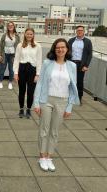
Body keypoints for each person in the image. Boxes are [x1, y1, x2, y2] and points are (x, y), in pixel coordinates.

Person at [33, 38, 79, 172]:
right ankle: (42, 156)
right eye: (58, 47)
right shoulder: (47, 63)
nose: (60, 49)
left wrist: (69, 106)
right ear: (54, 49)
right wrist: (36, 103)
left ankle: (49, 156)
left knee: (54, 131)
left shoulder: (72, 66)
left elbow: (72, 87)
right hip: (46, 100)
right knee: (44, 129)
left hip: (62, 101)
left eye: (63, 47)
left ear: (67, 49)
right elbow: (40, 83)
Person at [13, 28, 42, 118]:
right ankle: (21, 109)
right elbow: (16, 59)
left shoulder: (37, 46)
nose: (29, 36)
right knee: (22, 91)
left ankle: (29, 109)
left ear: (33, 35)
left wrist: (38, 74)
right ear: (24, 34)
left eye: (31, 34)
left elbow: (39, 60)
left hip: (32, 70)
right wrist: (15, 73)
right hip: (22, 69)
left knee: (30, 92)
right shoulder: (20, 45)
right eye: (27, 34)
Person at [68, 25, 93, 104]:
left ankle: (79, 98)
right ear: (76, 31)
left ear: (84, 32)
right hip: (71, 63)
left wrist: (86, 65)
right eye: (78, 30)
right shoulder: (71, 40)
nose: (79, 32)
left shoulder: (87, 41)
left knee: (79, 81)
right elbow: (67, 51)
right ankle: (69, 97)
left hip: (81, 65)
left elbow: (90, 54)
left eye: (81, 30)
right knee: (69, 80)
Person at [0, 21, 20, 89]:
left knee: (11, 69)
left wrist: (16, 57)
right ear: (7, 27)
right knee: (2, 69)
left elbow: (19, 47)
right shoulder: (4, 35)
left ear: (14, 27)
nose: (10, 26)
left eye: (12, 25)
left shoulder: (17, 36)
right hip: (4, 54)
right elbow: (1, 46)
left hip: (13, 55)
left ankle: (10, 82)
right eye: (9, 25)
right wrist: (0, 55)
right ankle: (0, 82)